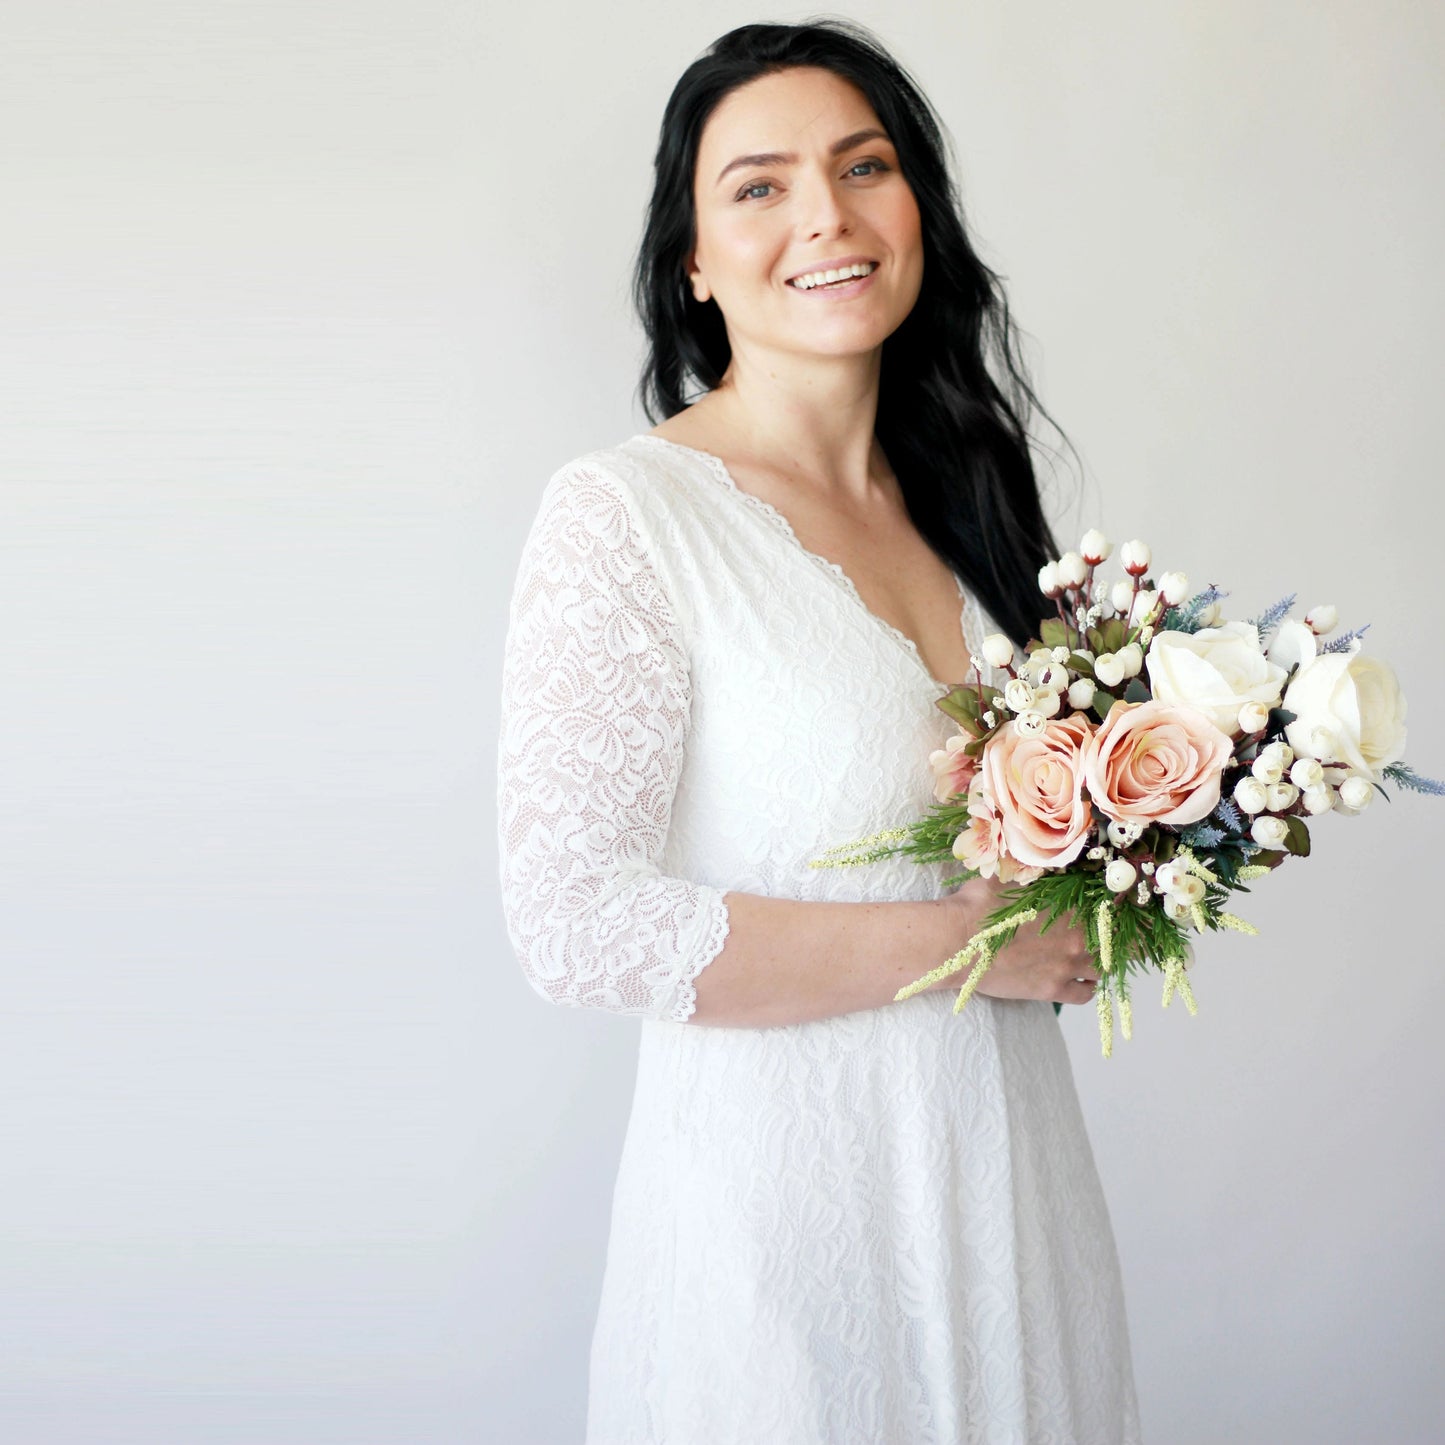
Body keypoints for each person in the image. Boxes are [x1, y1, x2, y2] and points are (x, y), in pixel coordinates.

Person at [497, 19, 1141, 1444]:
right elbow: (574, 920)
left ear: (919, 209)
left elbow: (1029, 874)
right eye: (759, 185)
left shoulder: (977, 511)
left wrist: (1116, 887)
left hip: (1011, 1196)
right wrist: (965, 946)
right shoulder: (626, 516)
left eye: (865, 167)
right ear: (690, 259)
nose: (826, 218)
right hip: (784, 1230)